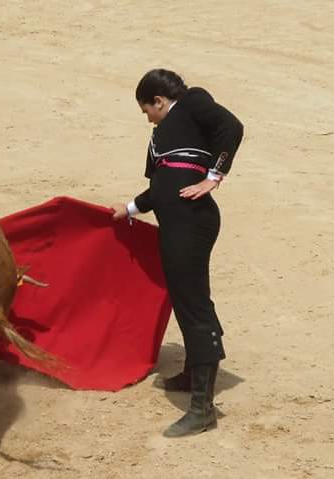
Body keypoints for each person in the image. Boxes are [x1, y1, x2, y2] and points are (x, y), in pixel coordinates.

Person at [112, 69, 243, 437]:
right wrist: (129, 207)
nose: (148, 119)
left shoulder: (193, 102)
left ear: (159, 100)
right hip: (177, 223)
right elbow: (161, 188)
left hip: (192, 223)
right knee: (185, 297)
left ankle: (203, 409)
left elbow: (232, 127)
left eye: (147, 110)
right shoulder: (161, 140)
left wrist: (214, 177)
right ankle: (192, 375)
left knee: (193, 301)